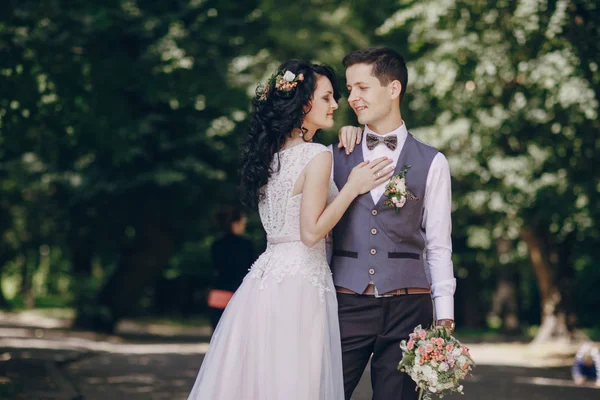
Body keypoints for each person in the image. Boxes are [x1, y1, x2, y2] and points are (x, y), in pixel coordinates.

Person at [187, 59, 394, 400]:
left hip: (263, 281)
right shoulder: (315, 155)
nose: (336, 104)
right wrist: (352, 187)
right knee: (299, 383)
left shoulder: (270, 156)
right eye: (327, 97)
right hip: (302, 282)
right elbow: (311, 233)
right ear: (304, 103)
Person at [330, 47, 457, 400]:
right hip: (347, 303)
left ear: (393, 88)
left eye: (361, 87)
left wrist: (444, 315)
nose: (352, 98)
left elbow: (438, 245)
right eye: (349, 89)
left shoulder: (433, 162)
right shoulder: (333, 154)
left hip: (409, 308)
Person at [207, 206, 255, 330]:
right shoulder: (247, 245)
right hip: (240, 293)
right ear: (235, 224)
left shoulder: (216, 245)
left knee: (218, 337)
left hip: (218, 294)